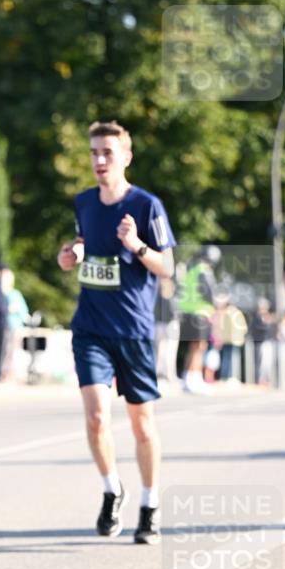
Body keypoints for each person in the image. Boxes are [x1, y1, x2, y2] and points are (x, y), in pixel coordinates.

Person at [57, 119, 176, 544]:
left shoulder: (146, 205)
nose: (100, 160)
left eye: (108, 153)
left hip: (134, 330)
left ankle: (150, 503)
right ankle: (112, 489)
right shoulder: (84, 202)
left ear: (126, 157)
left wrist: (137, 245)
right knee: (95, 417)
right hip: (90, 327)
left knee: (142, 426)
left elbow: (167, 266)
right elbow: (79, 244)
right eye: (94, 153)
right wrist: (69, 255)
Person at [178, 245, 220, 394]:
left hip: (188, 312)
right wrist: (217, 303)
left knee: (192, 347)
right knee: (199, 347)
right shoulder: (204, 270)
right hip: (200, 313)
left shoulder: (192, 269)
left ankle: (187, 378)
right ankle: (195, 379)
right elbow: (208, 293)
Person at [212, 293, 247, 384]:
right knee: (228, 359)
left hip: (232, 339)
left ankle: (228, 377)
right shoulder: (230, 312)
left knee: (229, 359)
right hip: (229, 339)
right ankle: (226, 377)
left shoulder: (231, 311)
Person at [1, 267, 29, 381]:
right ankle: (4, 375)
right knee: (5, 352)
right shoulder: (0, 293)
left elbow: (24, 311)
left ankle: (10, 376)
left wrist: (15, 309)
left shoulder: (15, 294)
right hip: (4, 327)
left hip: (14, 327)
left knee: (12, 352)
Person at [250, 297, 276, 385]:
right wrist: (266, 323)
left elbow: (273, 329)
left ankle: (266, 379)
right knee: (260, 362)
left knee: (267, 362)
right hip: (260, 342)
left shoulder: (269, 316)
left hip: (268, 342)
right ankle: (259, 380)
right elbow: (256, 329)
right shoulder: (256, 317)